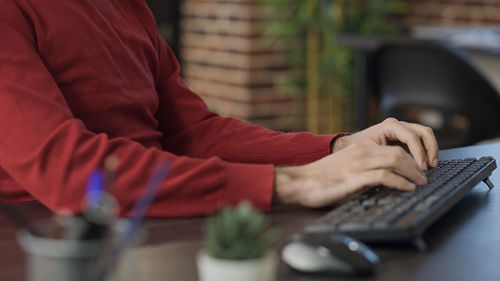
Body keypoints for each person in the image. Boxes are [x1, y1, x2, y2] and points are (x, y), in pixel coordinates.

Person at [0, 0, 437, 217]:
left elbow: (193, 133)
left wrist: (336, 148)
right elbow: (71, 174)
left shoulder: (127, 7)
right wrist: (294, 183)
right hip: (65, 245)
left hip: (161, 219)